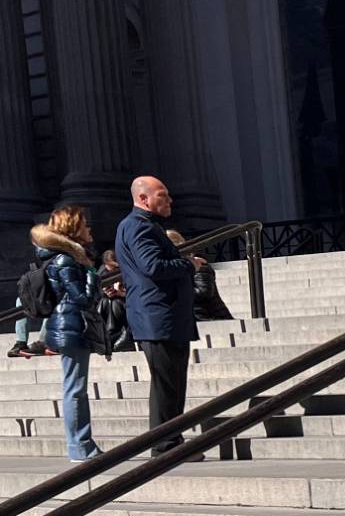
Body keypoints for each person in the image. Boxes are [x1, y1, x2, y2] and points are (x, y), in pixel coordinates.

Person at [114, 176, 202, 456]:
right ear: (143, 199)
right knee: (168, 386)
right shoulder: (139, 227)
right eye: (162, 195)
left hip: (162, 317)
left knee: (170, 385)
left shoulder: (143, 226)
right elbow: (153, 266)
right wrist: (188, 264)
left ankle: (169, 442)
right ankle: (166, 445)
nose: (170, 200)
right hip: (159, 317)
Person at [30, 206, 104, 461]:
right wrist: (93, 274)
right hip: (70, 327)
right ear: (74, 228)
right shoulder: (67, 260)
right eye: (84, 223)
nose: (89, 228)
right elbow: (82, 298)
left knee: (75, 387)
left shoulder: (66, 258)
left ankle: (82, 444)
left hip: (69, 326)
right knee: (75, 388)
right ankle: (80, 446)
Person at [166, 230, 233, 321]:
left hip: (210, 316)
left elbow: (204, 292)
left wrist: (174, 292)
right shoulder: (174, 269)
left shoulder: (198, 264)